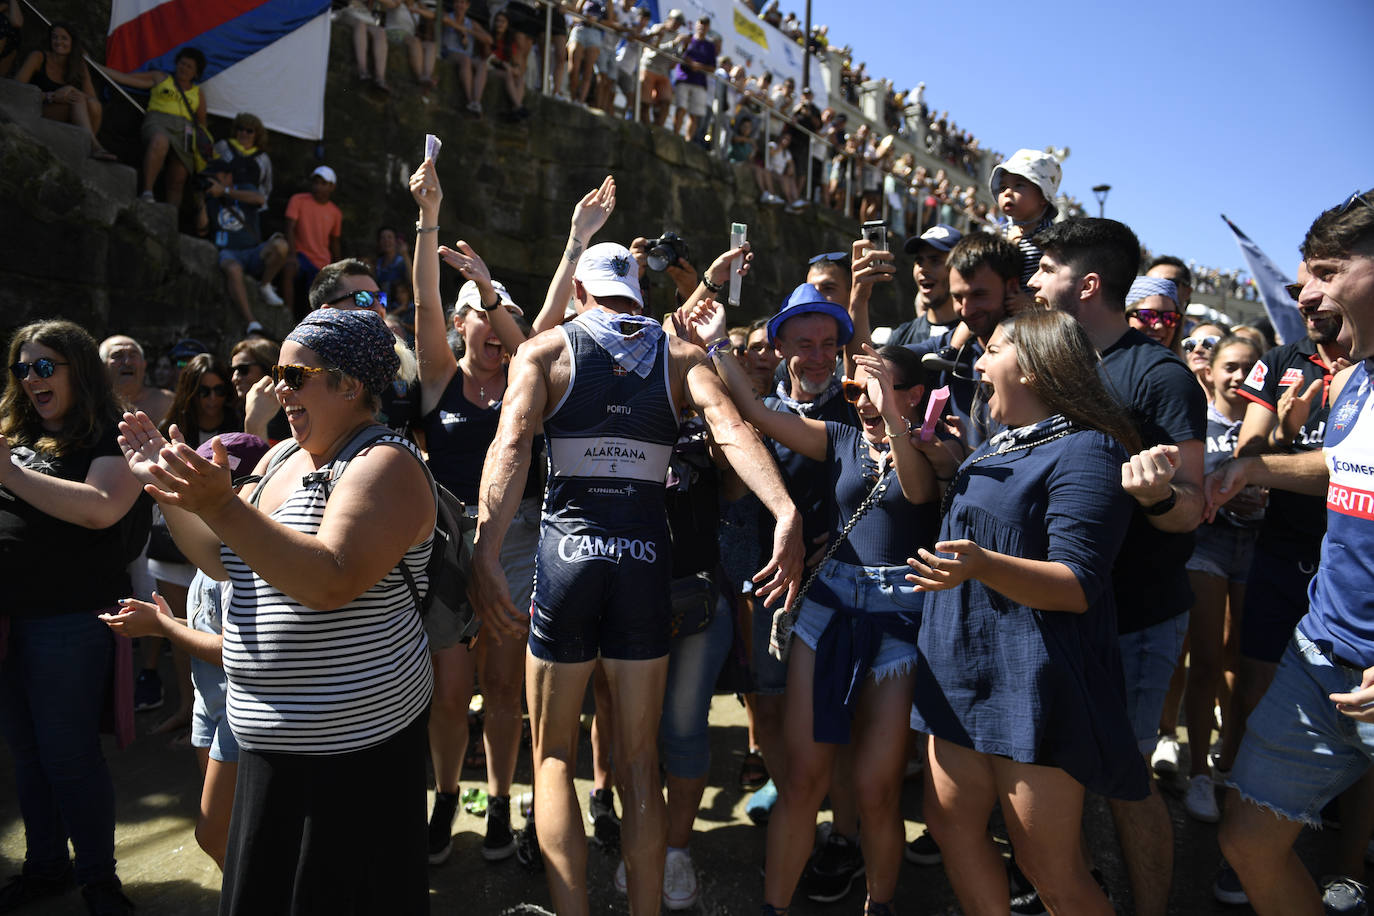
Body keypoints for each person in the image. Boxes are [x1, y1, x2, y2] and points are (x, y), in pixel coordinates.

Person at [467, 237, 803, 916]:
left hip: (568, 557)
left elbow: (511, 444)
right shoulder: (680, 357)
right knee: (639, 760)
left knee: (555, 755)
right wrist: (785, 509)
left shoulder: (547, 349)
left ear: (583, 292)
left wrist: (484, 548)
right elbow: (733, 428)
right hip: (646, 559)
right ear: (639, 298)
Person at [118, 308, 435, 914]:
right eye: (280, 374)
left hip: (354, 755)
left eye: (295, 375)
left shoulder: (384, 463)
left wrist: (223, 505)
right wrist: (169, 489)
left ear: (350, 384)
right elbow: (219, 558)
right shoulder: (278, 459)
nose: (278, 390)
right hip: (269, 743)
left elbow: (330, 580)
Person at [909, 309, 1147, 916]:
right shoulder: (1002, 440)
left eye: (991, 351)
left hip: (1031, 680)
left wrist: (982, 563)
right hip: (961, 668)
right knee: (950, 825)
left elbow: (1076, 583)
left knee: (1048, 867)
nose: (978, 364)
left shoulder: (1089, 448)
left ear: (1037, 364)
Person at [716, 330, 940, 916]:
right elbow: (759, 413)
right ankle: (773, 907)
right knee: (803, 781)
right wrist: (717, 349)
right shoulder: (838, 436)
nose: (862, 400)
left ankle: (880, 904)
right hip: (827, 611)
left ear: (914, 395)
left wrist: (893, 418)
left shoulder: (937, 449)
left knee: (876, 790)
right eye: (856, 388)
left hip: (897, 626)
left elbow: (917, 492)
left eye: (876, 389)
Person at [1029, 217, 1207, 916]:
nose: (1034, 281)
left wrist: (1158, 494)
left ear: (1089, 283)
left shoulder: (1161, 376)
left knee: (1128, 781)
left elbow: (1192, 505)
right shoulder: (1047, 360)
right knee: (1059, 772)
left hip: (1136, 617)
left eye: (1046, 269)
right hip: (1061, 610)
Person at [1207, 194, 1374, 915]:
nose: (1303, 293)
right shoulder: (1359, 378)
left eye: (1327, 272)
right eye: (1303, 277)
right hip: (1322, 657)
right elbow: (1350, 466)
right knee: (1246, 839)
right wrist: (1258, 469)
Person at [408, 156, 538, 865]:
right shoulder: (437, 378)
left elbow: (528, 342)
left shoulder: (527, 379)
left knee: (503, 686)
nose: (490, 328)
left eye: (497, 315)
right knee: (452, 692)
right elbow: (427, 297)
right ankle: (448, 794)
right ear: (460, 326)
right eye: (478, 316)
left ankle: (496, 802)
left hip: (516, 541)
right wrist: (428, 217)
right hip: (446, 547)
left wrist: (493, 293)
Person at [0, 319, 147, 915]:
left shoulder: (112, 436)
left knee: (68, 756)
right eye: (22, 368)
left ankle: (97, 880)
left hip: (69, 621)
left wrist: (8, 472)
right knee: (28, 756)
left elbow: (102, 510)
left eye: (45, 366)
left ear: (77, 370)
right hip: (10, 620)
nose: (32, 378)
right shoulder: (13, 433)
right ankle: (45, 868)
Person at [101, 433, 271, 869]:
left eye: (216, 477)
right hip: (208, 708)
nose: (194, 486)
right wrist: (162, 625)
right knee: (235, 831)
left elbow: (234, 650)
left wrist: (161, 627)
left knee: (213, 834)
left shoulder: (253, 559)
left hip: (243, 713)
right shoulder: (207, 553)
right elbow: (206, 628)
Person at [1174, 334, 1264, 825]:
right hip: (1206, 544)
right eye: (1231, 365)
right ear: (1210, 371)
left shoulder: (1267, 423)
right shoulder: (1196, 420)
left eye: (1250, 367)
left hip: (1254, 547)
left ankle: (1229, 765)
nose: (1240, 376)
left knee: (1242, 660)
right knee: (1205, 658)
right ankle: (1199, 774)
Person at [101, 46, 208, 207]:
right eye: (182, 63)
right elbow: (125, 78)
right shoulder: (161, 77)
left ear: (196, 73)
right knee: (159, 141)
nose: (183, 68)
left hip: (184, 130)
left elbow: (202, 124)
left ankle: (171, 215)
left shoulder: (198, 93)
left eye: (189, 66)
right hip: (159, 120)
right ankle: (147, 192)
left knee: (179, 174)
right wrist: (94, 64)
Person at [196, 154, 289, 336]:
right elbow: (201, 230)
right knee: (232, 268)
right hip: (229, 252)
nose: (211, 180)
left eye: (216, 176)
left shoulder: (243, 189)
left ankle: (265, 285)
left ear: (228, 176)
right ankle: (251, 322)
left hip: (254, 250)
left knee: (281, 246)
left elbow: (260, 199)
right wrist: (201, 201)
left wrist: (225, 192)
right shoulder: (209, 198)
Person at [16, 22, 116, 161]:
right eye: (54, 37)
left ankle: (87, 147)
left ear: (72, 42)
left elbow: (92, 100)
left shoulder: (78, 64)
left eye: (64, 38)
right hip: (38, 106)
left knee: (92, 104)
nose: (58, 42)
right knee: (78, 99)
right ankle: (94, 147)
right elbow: (16, 90)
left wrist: (72, 89)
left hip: (67, 110)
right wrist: (51, 96)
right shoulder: (38, 57)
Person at [990, 148, 1061, 288]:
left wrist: (1030, 302)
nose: (1007, 192)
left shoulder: (1052, 238)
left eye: (1018, 185)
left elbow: (1055, 283)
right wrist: (1006, 247)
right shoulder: (1002, 233)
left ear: (1043, 197)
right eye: (1003, 187)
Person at [885, 224, 962, 347]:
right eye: (919, 261)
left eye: (935, 261)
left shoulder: (978, 335)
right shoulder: (901, 336)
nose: (923, 269)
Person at [282, 166, 344, 319]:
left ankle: (307, 323)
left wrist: (339, 268)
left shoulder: (335, 212)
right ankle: (286, 314)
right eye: (316, 182)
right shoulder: (298, 200)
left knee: (319, 292)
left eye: (323, 183)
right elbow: (289, 228)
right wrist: (291, 255)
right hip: (300, 254)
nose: (318, 186)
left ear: (332, 187)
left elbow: (334, 241)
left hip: (321, 262)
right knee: (289, 268)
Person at [100, 335, 174, 423]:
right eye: (118, 356)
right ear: (102, 366)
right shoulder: (92, 406)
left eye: (133, 355)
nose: (127, 362)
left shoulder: (167, 402)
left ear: (144, 364)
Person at [441, 0, 491, 114]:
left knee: (482, 64)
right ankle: (469, 99)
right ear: (454, 4)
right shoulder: (448, 15)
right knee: (465, 60)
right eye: (458, 2)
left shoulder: (472, 23)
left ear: (468, 6)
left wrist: (468, 31)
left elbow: (488, 39)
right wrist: (459, 28)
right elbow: (445, 20)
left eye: (463, 3)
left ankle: (476, 101)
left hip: (466, 54)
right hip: (449, 51)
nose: (460, 5)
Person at [1125, 275, 1185, 354]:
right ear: (1125, 317)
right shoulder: (1105, 364)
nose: (1159, 326)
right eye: (1147, 315)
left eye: (1169, 317)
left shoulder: (1179, 366)